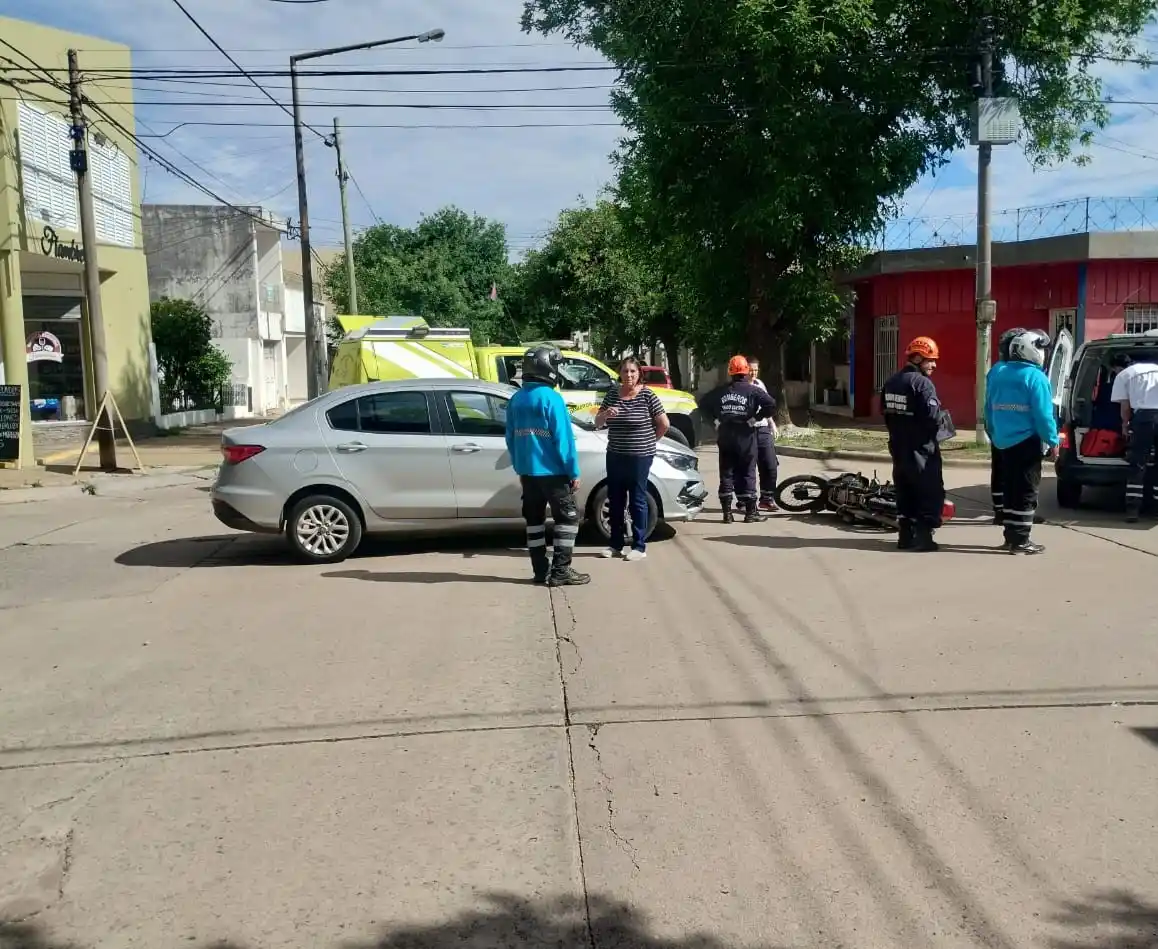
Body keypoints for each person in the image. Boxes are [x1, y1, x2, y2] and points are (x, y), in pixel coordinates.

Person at [504, 344, 591, 586]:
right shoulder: (552, 398)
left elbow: (510, 438)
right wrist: (573, 471)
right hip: (553, 473)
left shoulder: (516, 399)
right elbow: (564, 441)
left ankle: (540, 571)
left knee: (534, 522)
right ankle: (561, 571)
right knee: (568, 519)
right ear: (547, 367)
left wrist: (520, 465)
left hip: (528, 474)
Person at [984, 329, 1058, 554]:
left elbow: (988, 408)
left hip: (1002, 441)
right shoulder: (1035, 377)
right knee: (1026, 492)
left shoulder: (998, 372)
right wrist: (1052, 441)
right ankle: (1021, 541)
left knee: (1010, 491)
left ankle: (1010, 537)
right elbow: (1044, 415)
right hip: (1026, 442)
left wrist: (994, 433)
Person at [594, 356, 670, 561]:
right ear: (620, 373)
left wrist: (651, 442)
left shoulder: (647, 395)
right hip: (615, 454)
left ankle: (639, 546)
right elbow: (597, 422)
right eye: (625, 371)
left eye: (633, 372)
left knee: (637, 499)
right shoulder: (612, 394)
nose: (628, 375)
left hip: (640, 456)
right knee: (616, 499)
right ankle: (615, 544)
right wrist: (605, 415)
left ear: (639, 374)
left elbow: (664, 423)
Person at [881, 336, 951, 552]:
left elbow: (886, 414)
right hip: (922, 448)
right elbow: (932, 416)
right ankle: (923, 538)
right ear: (918, 358)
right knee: (928, 491)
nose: (934, 365)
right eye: (931, 360)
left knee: (904, 490)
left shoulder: (891, 382)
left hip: (899, 447)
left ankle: (905, 536)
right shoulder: (922, 383)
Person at [697, 355, 776, 524]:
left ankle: (727, 514)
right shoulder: (753, 390)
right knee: (748, 472)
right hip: (746, 435)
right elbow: (771, 404)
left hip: (725, 435)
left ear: (730, 372)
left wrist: (715, 421)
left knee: (726, 473)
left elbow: (702, 404)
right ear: (746, 371)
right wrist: (756, 418)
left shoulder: (721, 391)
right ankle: (750, 513)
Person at [1109, 351, 1158, 522]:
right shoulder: (1155, 369)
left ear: (1116, 367)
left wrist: (1125, 425)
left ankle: (1133, 509)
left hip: (1143, 419)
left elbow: (1125, 407)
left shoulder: (1123, 375)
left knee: (1137, 463)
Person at [987, 327, 1027, 525]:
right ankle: (1011, 513)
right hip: (1014, 430)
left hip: (996, 426)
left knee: (999, 468)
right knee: (1012, 473)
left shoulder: (997, 369)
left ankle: (1000, 510)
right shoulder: (1012, 371)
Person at [746, 358, 780, 513]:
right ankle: (746, 499)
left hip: (763, 429)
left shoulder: (759, 384)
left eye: (756, 370)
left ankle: (767, 499)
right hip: (747, 431)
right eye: (750, 370)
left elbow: (766, 407)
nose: (753, 373)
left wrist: (772, 424)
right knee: (748, 467)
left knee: (770, 465)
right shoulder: (740, 387)